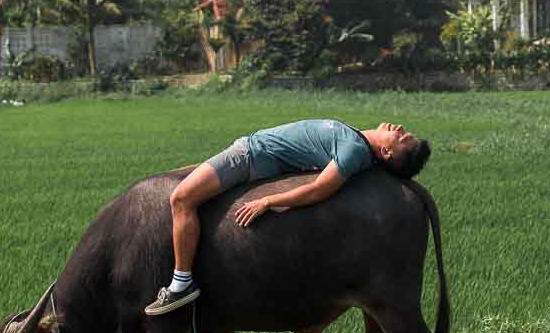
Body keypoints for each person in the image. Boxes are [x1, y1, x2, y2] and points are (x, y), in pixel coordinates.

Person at [145, 119, 431, 316]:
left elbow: (319, 189)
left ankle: (180, 283)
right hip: (254, 152)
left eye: (401, 137)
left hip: (249, 155)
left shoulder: (353, 151)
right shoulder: (357, 144)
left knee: (180, 198)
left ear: (386, 151)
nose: (400, 128)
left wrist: (269, 200)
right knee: (185, 177)